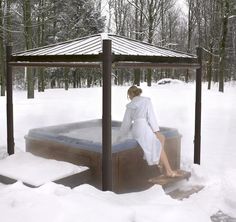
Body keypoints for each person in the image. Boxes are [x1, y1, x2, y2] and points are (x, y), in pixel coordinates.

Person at [118, 85, 181, 177]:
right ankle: (168, 171)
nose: (129, 98)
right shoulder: (146, 101)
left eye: (129, 96)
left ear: (131, 94)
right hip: (143, 127)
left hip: (137, 128)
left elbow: (126, 123)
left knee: (161, 139)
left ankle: (160, 164)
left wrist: (121, 135)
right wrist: (156, 131)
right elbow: (151, 117)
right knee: (158, 144)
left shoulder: (130, 105)